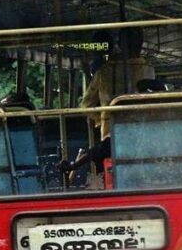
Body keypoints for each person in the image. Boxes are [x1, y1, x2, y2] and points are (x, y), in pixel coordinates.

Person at [62, 27, 155, 179]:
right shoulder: (148, 69)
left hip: (110, 132)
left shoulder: (104, 71)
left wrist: (103, 118)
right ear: (141, 43)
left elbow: (86, 105)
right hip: (144, 133)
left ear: (119, 44)